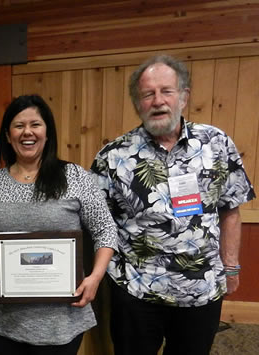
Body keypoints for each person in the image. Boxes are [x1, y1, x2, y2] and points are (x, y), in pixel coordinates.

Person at [90, 54, 256, 355]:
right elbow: (99, 225)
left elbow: (231, 209)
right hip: (136, 292)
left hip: (201, 290)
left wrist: (231, 268)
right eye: (147, 94)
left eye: (166, 91)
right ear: (137, 103)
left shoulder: (216, 143)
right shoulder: (112, 157)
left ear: (184, 96)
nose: (157, 101)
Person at [0, 94, 117, 354]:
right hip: (8, 321)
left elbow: (105, 229)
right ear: (7, 135)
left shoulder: (74, 176)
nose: (27, 132)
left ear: (47, 132)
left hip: (62, 323)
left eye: (35, 124)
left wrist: (95, 278)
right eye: (18, 126)